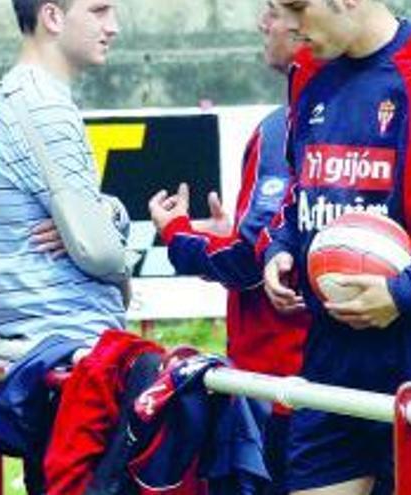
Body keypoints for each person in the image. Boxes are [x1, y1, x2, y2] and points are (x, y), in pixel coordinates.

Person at [259, 1, 411, 494]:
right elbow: (298, 189)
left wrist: (402, 292)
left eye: (299, 9)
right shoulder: (307, 71)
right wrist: (280, 247)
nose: (289, 26)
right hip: (331, 350)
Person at [147, 2, 316, 492]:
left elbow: (247, 260)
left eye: (271, 12)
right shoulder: (350, 115)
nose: (262, 24)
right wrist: (227, 237)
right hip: (329, 388)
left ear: (305, 24)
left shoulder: (284, 126)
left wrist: (178, 233)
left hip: (277, 391)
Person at [0, 0, 129, 349]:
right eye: (99, 11)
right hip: (69, 340)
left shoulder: (15, 94)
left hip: (45, 337)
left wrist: (101, 216)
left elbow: (86, 229)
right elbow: (98, 248)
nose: (113, 27)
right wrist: (105, 219)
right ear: (52, 17)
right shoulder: (44, 106)